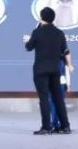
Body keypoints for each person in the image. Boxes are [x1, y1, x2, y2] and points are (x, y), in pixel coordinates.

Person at [24, 7, 71, 135]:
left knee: (44, 99)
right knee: (58, 98)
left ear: (41, 17)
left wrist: (30, 39)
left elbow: (28, 47)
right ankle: (65, 126)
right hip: (55, 70)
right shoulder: (59, 33)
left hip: (40, 70)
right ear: (53, 18)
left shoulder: (37, 32)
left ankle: (46, 127)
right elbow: (64, 50)